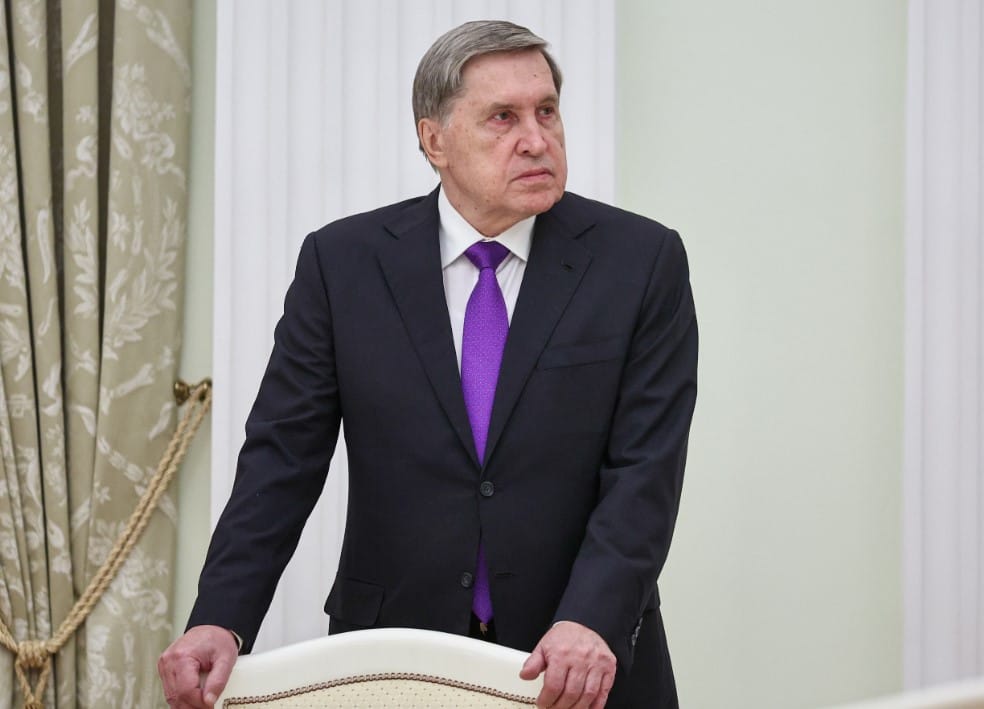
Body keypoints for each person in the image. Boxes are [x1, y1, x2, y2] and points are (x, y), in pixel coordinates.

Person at [158, 19, 697, 709]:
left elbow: (646, 470)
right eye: (502, 118)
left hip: (581, 658)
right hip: (392, 657)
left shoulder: (641, 261)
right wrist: (220, 616)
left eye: (546, 111)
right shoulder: (342, 265)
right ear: (434, 140)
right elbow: (281, 461)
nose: (536, 139)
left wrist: (591, 616)